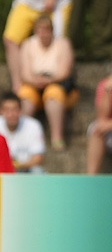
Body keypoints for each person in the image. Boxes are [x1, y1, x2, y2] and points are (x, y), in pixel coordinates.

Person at [18, 15, 78, 151]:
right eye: (40, 30)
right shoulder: (27, 44)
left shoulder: (63, 43)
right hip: (33, 85)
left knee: (53, 93)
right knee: (25, 94)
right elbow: (24, 73)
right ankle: (21, 136)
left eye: (46, 30)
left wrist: (49, 80)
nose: (43, 34)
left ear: (52, 30)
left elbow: (65, 72)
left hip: (59, 85)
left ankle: (57, 137)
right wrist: (35, 81)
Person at [0, 92, 46, 173]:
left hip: (26, 170)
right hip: (3, 171)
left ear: (20, 110)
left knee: (37, 171)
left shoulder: (33, 125)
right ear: (1, 111)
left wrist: (17, 165)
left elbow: (38, 158)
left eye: (14, 110)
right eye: (7, 110)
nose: (11, 114)